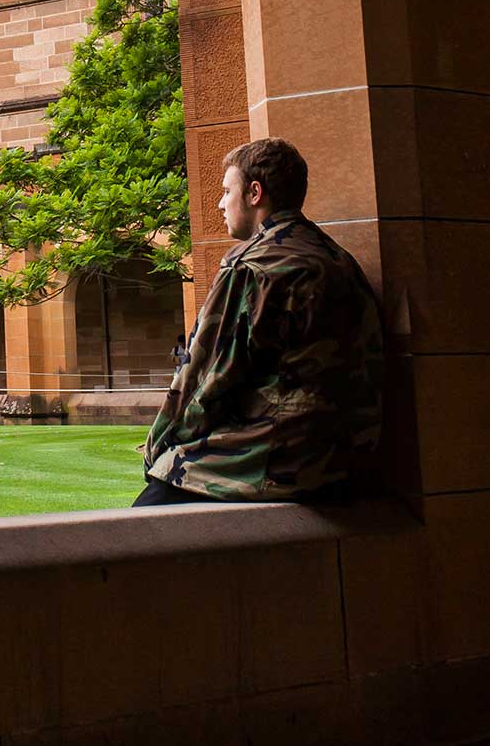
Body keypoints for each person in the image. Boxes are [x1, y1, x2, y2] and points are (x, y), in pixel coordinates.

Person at [135, 138, 382, 508]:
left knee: (143, 516)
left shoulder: (252, 265)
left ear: (254, 193)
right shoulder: (338, 258)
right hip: (350, 457)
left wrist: (157, 448)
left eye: (226, 191)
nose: (220, 204)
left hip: (281, 461)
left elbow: (204, 380)